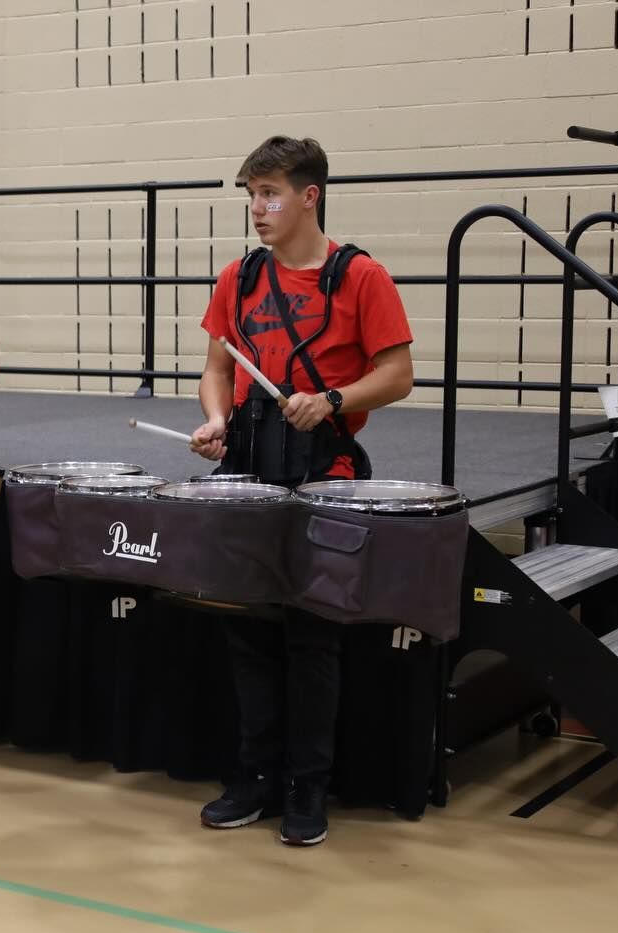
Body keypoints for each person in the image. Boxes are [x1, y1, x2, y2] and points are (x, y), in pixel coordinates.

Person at [190, 136, 414, 846]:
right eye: (251, 195)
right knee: (246, 632)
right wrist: (216, 419)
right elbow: (216, 368)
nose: (257, 209)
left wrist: (334, 398)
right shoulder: (240, 279)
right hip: (248, 473)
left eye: (270, 194)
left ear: (308, 196)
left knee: (313, 639)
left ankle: (307, 787)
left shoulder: (360, 277)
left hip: (328, 473)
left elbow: (399, 373)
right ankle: (254, 775)